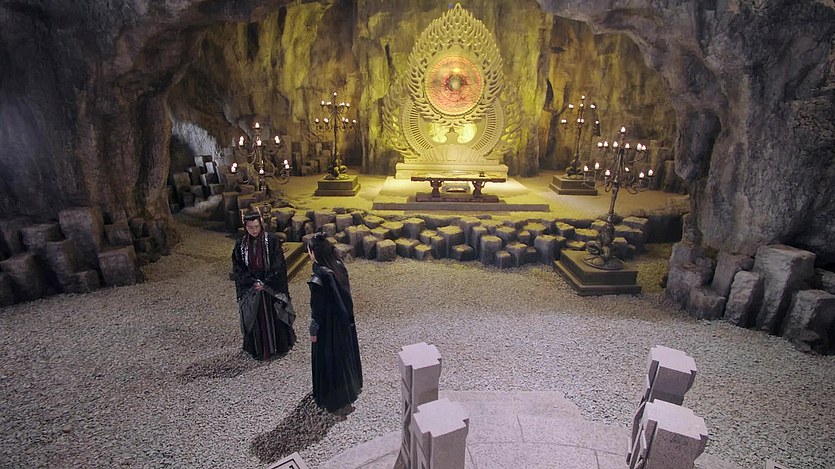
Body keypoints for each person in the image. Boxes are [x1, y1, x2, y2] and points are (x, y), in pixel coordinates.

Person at [307, 232, 363, 412]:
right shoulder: (338, 267)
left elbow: (317, 310)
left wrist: (313, 331)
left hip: (328, 328)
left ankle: (332, 398)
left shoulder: (319, 278)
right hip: (344, 322)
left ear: (313, 253)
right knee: (343, 357)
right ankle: (350, 389)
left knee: (329, 361)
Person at [232, 211, 296, 361]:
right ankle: (258, 349)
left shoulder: (272, 240)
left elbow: (279, 264)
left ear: (261, 224)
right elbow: (238, 267)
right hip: (252, 286)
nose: (254, 230)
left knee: (275, 314)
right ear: (245, 227)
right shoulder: (240, 244)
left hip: (269, 284)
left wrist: (266, 282)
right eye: (250, 227)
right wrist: (252, 281)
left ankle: (279, 347)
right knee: (254, 317)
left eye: (256, 226)